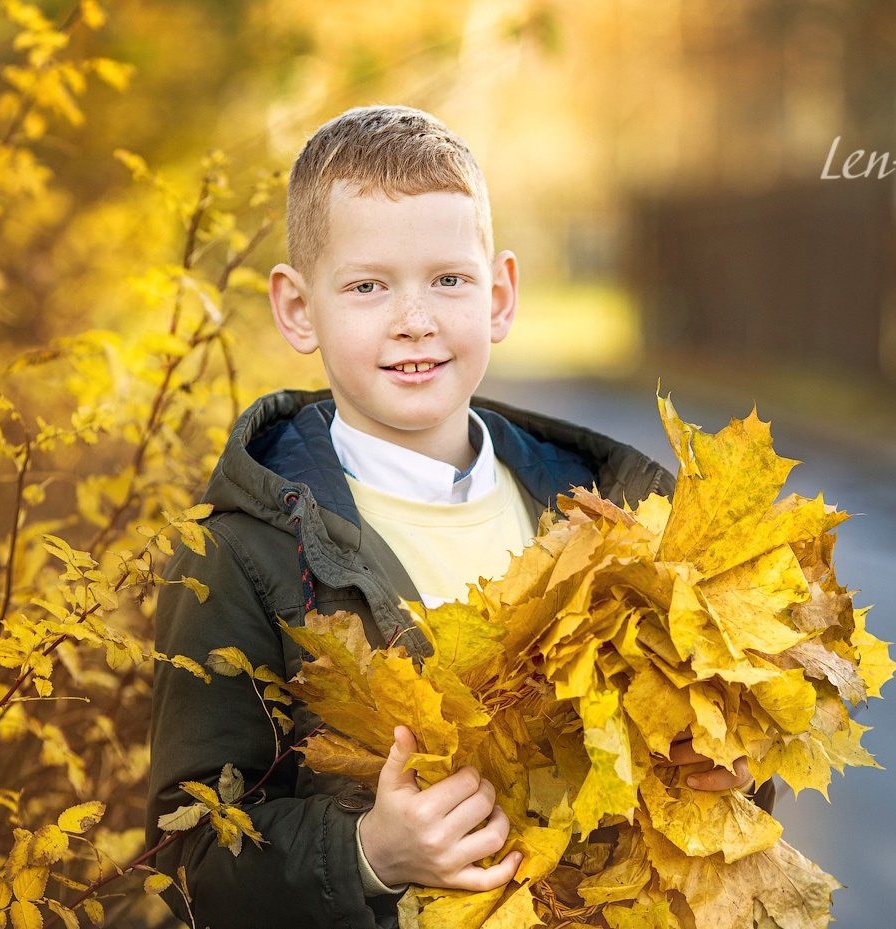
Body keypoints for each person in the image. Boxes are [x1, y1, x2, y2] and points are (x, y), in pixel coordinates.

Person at [146, 105, 764, 929]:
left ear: (499, 294)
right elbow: (186, 855)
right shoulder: (239, 554)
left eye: (448, 279)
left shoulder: (610, 514)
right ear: (298, 309)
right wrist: (369, 855)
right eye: (368, 286)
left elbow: (713, 750)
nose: (415, 318)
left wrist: (735, 759)